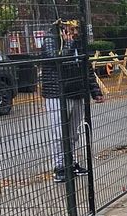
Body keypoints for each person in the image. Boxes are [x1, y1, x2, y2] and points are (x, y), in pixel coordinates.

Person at [38, 21, 100, 179]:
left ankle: (71, 163)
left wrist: (95, 91)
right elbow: (56, 60)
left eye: (77, 28)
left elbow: (86, 67)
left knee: (73, 133)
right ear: (62, 27)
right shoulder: (51, 39)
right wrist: (69, 44)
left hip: (76, 92)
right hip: (57, 94)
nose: (75, 31)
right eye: (72, 28)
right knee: (60, 133)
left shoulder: (77, 41)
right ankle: (60, 167)